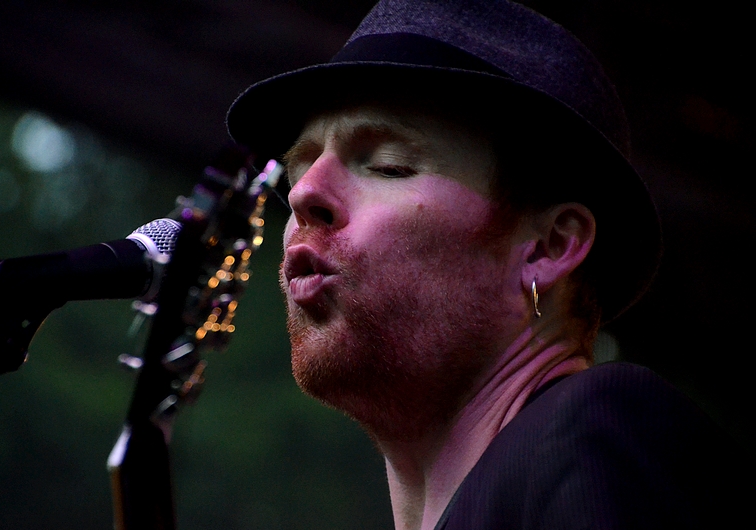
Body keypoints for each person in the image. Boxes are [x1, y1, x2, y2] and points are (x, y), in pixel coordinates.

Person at [227, 1, 748, 528]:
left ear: (548, 248)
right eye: (299, 171)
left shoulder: (594, 428)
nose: (303, 194)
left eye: (389, 166)